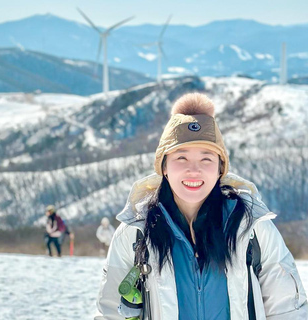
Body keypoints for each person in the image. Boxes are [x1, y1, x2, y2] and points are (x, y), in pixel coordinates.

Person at [96, 93, 307, 319]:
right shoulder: (136, 232)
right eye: (181, 158)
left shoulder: (250, 227)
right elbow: (111, 312)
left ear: (220, 168)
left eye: (206, 159)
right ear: (164, 167)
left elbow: (287, 309)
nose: (193, 170)